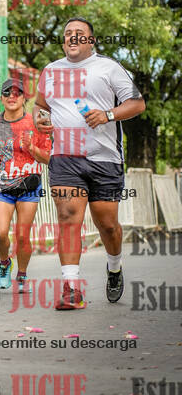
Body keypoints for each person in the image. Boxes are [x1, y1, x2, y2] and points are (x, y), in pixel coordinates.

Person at [33, 17, 145, 309]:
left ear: (91, 41)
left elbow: (137, 103)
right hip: (64, 158)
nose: (72, 37)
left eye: (79, 33)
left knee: (107, 225)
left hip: (104, 159)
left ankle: (114, 266)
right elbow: (41, 105)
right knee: (68, 217)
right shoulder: (51, 71)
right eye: (68, 33)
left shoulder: (108, 67)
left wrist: (107, 115)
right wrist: (40, 118)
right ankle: (71, 289)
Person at [0, 78, 51, 293]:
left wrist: (32, 149)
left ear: (24, 98)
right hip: (2, 187)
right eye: (7, 93)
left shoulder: (36, 123)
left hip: (29, 186)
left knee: (22, 235)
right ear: (1, 99)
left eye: (17, 93)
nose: (12, 96)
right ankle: (4, 263)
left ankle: (22, 274)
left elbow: (48, 158)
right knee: (0, 233)